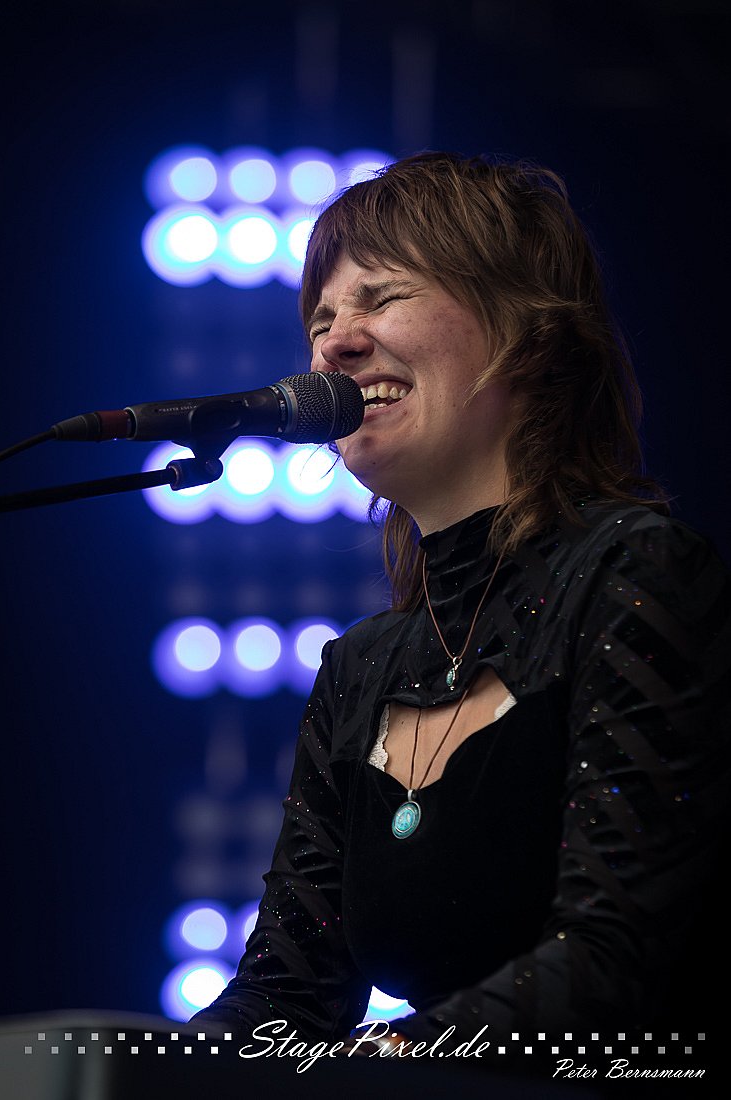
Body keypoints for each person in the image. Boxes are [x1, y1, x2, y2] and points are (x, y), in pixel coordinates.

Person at [192, 152, 731, 1063]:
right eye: (321, 321)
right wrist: (138, 1065)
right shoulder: (361, 666)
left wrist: (395, 1058)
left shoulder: (635, 571)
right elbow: (285, 995)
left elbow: (610, 959)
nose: (334, 345)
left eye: (381, 298)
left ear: (527, 328)